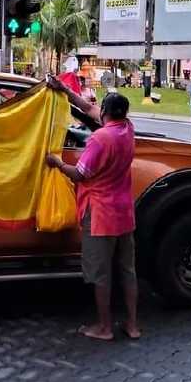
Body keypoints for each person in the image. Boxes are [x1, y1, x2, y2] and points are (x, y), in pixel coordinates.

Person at [45, 77, 140, 341]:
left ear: (107, 113)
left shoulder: (100, 139)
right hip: (123, 213)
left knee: (100, 274)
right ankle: (132, 326)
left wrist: (56, 163)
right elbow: (88, 110)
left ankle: (104, 327)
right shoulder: (127, 129)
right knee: (127, 271)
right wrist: (64, 90)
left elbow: (80, 174)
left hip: (100, 214)